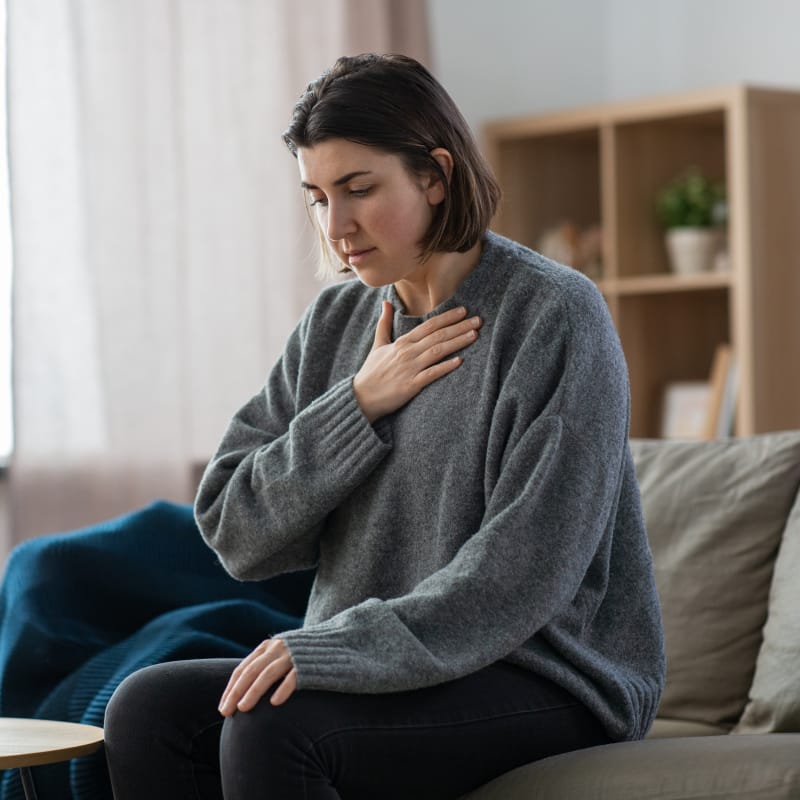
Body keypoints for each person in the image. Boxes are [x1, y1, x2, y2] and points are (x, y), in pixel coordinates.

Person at [104, 53, 665, 799]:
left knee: (274, 728)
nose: (336, 226)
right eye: (316, 197)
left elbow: (522, 571)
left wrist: (335, 650)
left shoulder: (555, 315)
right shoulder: (335, 324)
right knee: (147, 709)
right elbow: (234, 529)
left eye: (359, 189)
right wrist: (357, 404)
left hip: (546, 673)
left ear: (434, 175)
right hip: (380, 667)